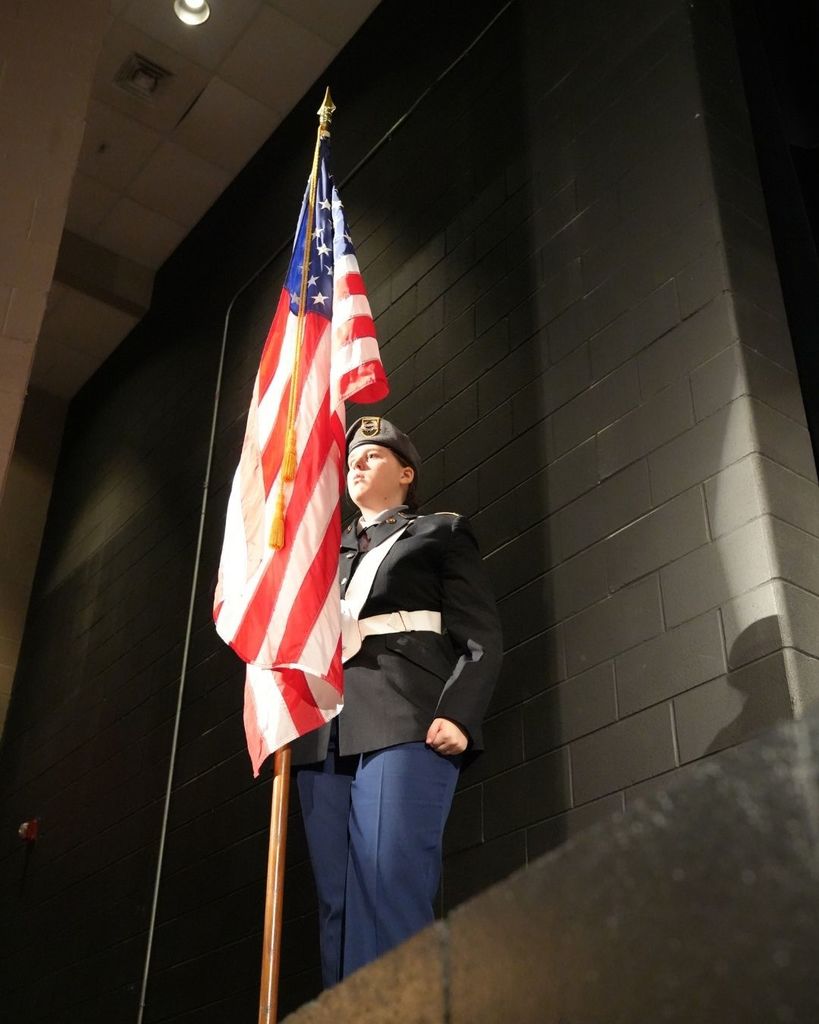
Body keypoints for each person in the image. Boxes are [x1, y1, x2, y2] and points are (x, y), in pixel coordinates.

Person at [292, 415, 503, 987]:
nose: (357, 462)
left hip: (406, 718)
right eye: (352, 458)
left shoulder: (440, 532)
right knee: (337, 905)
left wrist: (459, 712)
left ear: (406, 473)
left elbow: (481, 636)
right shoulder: (318, 557)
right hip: (324, 730)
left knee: (388, 887)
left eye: (373, 455)